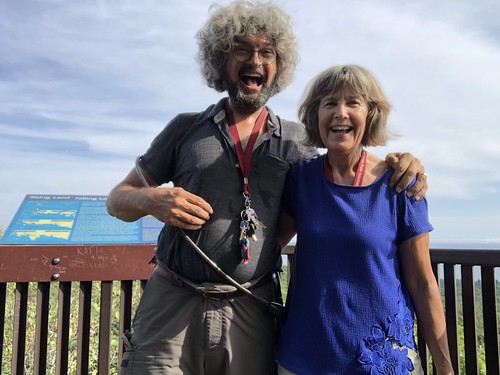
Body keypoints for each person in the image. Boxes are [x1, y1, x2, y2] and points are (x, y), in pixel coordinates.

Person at [106, 2, 428, 374]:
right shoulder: (185, 128)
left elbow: (349, 161)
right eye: (242, 49)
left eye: (267, 52)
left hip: (250, 305)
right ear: (221, 59)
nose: (255, 60)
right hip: (172, 302)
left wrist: (405, 164)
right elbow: (117, 200)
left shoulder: (297, 142)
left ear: (278, 66)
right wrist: (150, 199)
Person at [276, 64, 454, 375]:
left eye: (352, 103)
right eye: (329, 103)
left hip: (384, 360)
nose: (340, 113)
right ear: (315, 115)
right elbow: (268, 245)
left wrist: (445, 368)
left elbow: (423, 282)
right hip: (305, 357)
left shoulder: (401, 183)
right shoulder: (299, 180)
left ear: (370, 114)